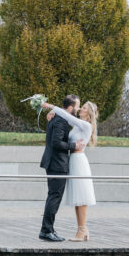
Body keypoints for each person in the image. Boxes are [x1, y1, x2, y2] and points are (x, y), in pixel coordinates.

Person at [41, 99, 97, 241]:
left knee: (81, 196)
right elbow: (64, 119)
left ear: (89, 113)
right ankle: (81, 230)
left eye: (83, 108)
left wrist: (52, 107)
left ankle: (82, 230)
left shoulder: (86, 125)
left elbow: (67, 116)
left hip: (78, 161)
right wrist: (52, 114)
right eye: (80, 107)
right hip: (71, 160)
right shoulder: (78, 126)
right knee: (77, 196)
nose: (80, 110)